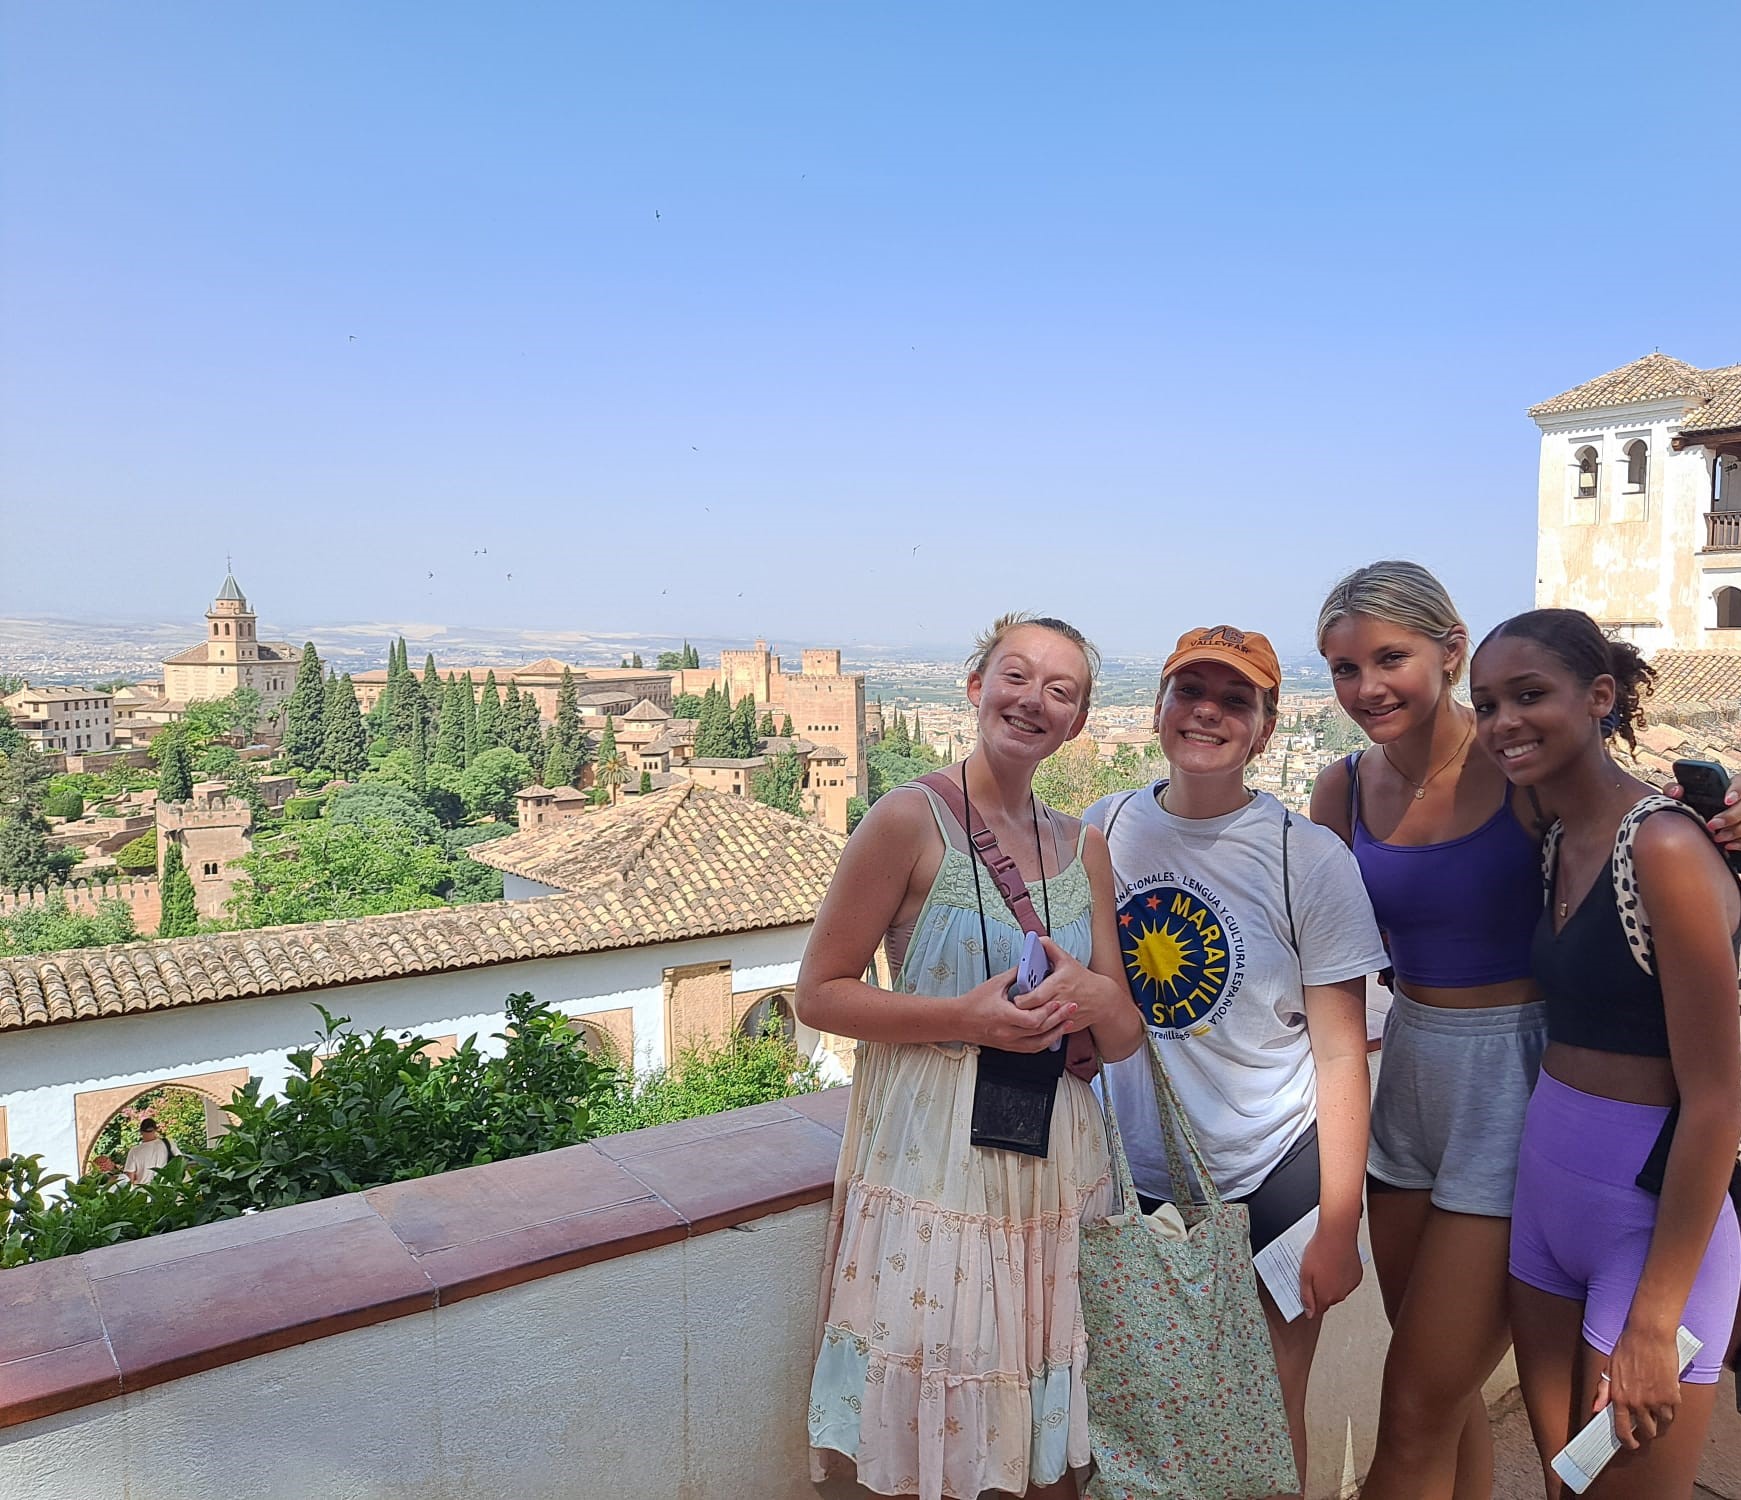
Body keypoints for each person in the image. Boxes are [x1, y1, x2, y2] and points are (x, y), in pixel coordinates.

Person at [799, 613, 1146, 1500]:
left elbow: (1117, 1037)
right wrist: (964, 1016)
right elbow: (822, 992)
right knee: (941, 1412)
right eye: (1017, 676)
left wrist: (1095, 998)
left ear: (1076, 723)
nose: (1033, 700)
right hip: (933, 1166)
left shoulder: (1086, 848)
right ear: (975, 687)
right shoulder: (907, 819)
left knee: (1039, 1426)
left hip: (1056, 1167)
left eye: (1060, 691)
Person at [1086, 624, 1387, 1492]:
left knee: (1267, 1401)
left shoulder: (1308, 858)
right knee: (1145, 1410)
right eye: (1190, 691)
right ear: (1157, 709)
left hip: (1275, 1172)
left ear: (1263, 728)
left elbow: (1339, 1057)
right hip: (1142, 1170)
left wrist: (1337, 1228)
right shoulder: (1104, 830)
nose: (1208, 712)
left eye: (1234, 700)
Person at [1471, 609, 1741, 1500]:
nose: (1502, 721)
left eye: (1528, 695)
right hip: (1546, 1203)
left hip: (1648, 1229)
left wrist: (1654, 1322)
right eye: (1485, 703)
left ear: (1598, 697)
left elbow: (1714, 1102)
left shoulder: (1660, 846)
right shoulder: (1555, 837)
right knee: (1565, 1487)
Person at [1309, 560, 1548, 1500]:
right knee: (1437, 1399)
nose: (1365, 688)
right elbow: (1307, 950)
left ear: (1451, 651)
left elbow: (1641, 833)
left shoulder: (1523, 767)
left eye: (1388, 658)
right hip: (1404, 1079)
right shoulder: (1339, 791)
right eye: (1341, 668)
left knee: (1408, 1412)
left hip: (1516, 1086)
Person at [121, 1117, 177, 1185]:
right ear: (156, 1129)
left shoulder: (134, 1151)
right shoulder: (168, 1143)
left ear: (141, 1131)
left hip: (143, 1190)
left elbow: (129, 1178)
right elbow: (181, 1161)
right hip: (165, 1188)